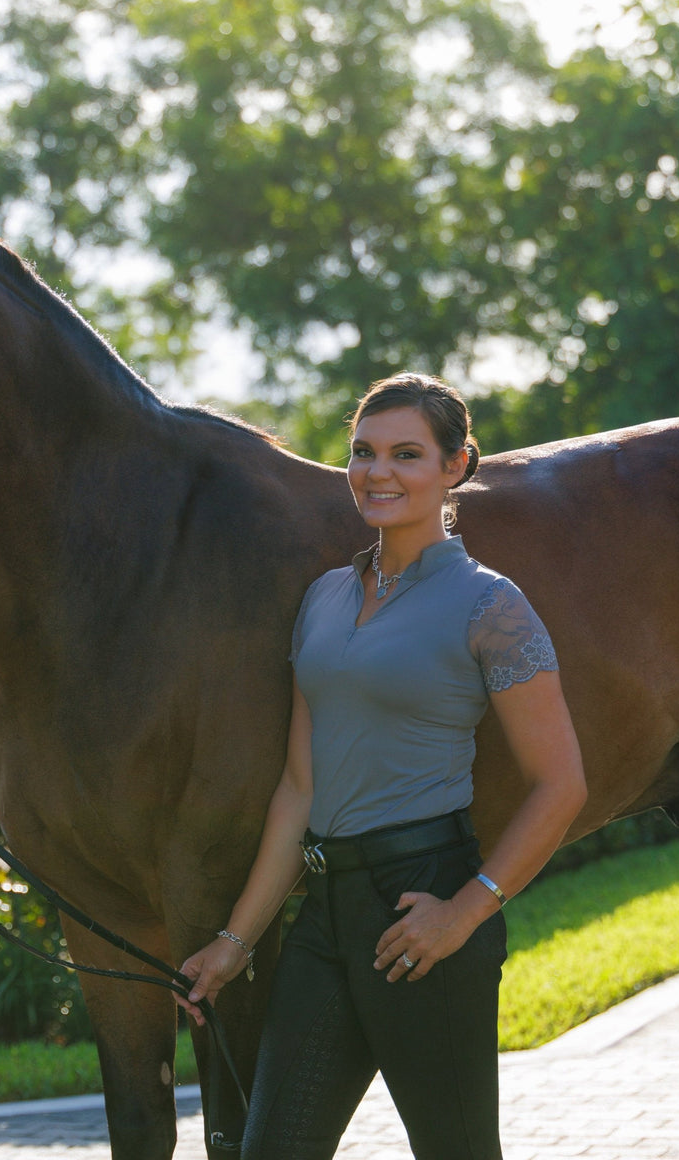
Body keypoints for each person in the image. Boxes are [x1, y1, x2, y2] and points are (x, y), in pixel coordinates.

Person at [176, 372, 587, 1159]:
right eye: (363, 452)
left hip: (421, 909)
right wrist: (236, 940)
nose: (377, 472)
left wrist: (464, 913)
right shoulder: (325, 597)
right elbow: (300, 787)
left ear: (456, 466)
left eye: (406, 454)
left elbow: (561, 784)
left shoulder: (491, 606)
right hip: (323, 920)